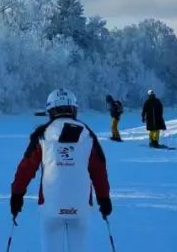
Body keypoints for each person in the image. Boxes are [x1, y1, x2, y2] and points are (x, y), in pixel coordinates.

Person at [11, 89, 112, 252]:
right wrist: (104, 199)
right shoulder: (87, 135)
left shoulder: (42, 135)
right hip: (81, 207)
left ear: (50, 111)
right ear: (74, 109)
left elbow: (26, 168)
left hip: (50, 207)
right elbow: (99, 170)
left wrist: (16, 195)